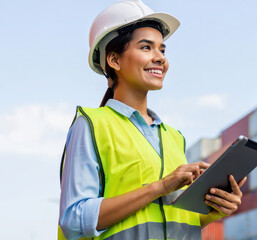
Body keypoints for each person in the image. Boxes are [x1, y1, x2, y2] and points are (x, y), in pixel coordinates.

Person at [58, 0, 246, 239]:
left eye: (162, 50)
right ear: (114, 60)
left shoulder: (173, 137)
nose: (160, 58)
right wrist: (161, 186)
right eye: (146, 48)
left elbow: (169, 219)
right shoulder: (92, 125)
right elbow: (74, 219)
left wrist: (215, 209)